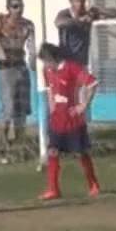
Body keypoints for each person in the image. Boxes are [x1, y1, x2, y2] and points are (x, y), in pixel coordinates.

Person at [38, 43, 101, 201]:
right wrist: (52, 108)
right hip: (57, 120)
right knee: (52, 152)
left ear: (53, 58)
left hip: (73, 120)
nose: (45, 65)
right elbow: (50, 91)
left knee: (80, 153)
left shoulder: (72, 68)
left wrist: (83, 105)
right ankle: (53, 189)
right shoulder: (47, 71)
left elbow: (93, 83)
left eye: (46, 61)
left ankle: (93, 184)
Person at [0, 0, 37, 154]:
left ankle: (20, 141)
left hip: (21, 65)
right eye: (15, 6)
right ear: (8, 8)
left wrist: (33, 60)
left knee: (22, 106)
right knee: (8, 106)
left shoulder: (27, 25)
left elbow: (31, 46)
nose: (18, 10)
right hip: (5, 67)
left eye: (20, 6)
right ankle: (3, 141)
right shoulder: (0, 23)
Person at [55, 0, 116, 66]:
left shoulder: (88, 14)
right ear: (71, 1)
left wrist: (97, 9)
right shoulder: (65, 14)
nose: (80, 4)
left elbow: (115, 13)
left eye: (82, 1)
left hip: (81, 61)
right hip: (66, 61)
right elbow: (58, 23)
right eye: (77, 1)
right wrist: (80, 20)